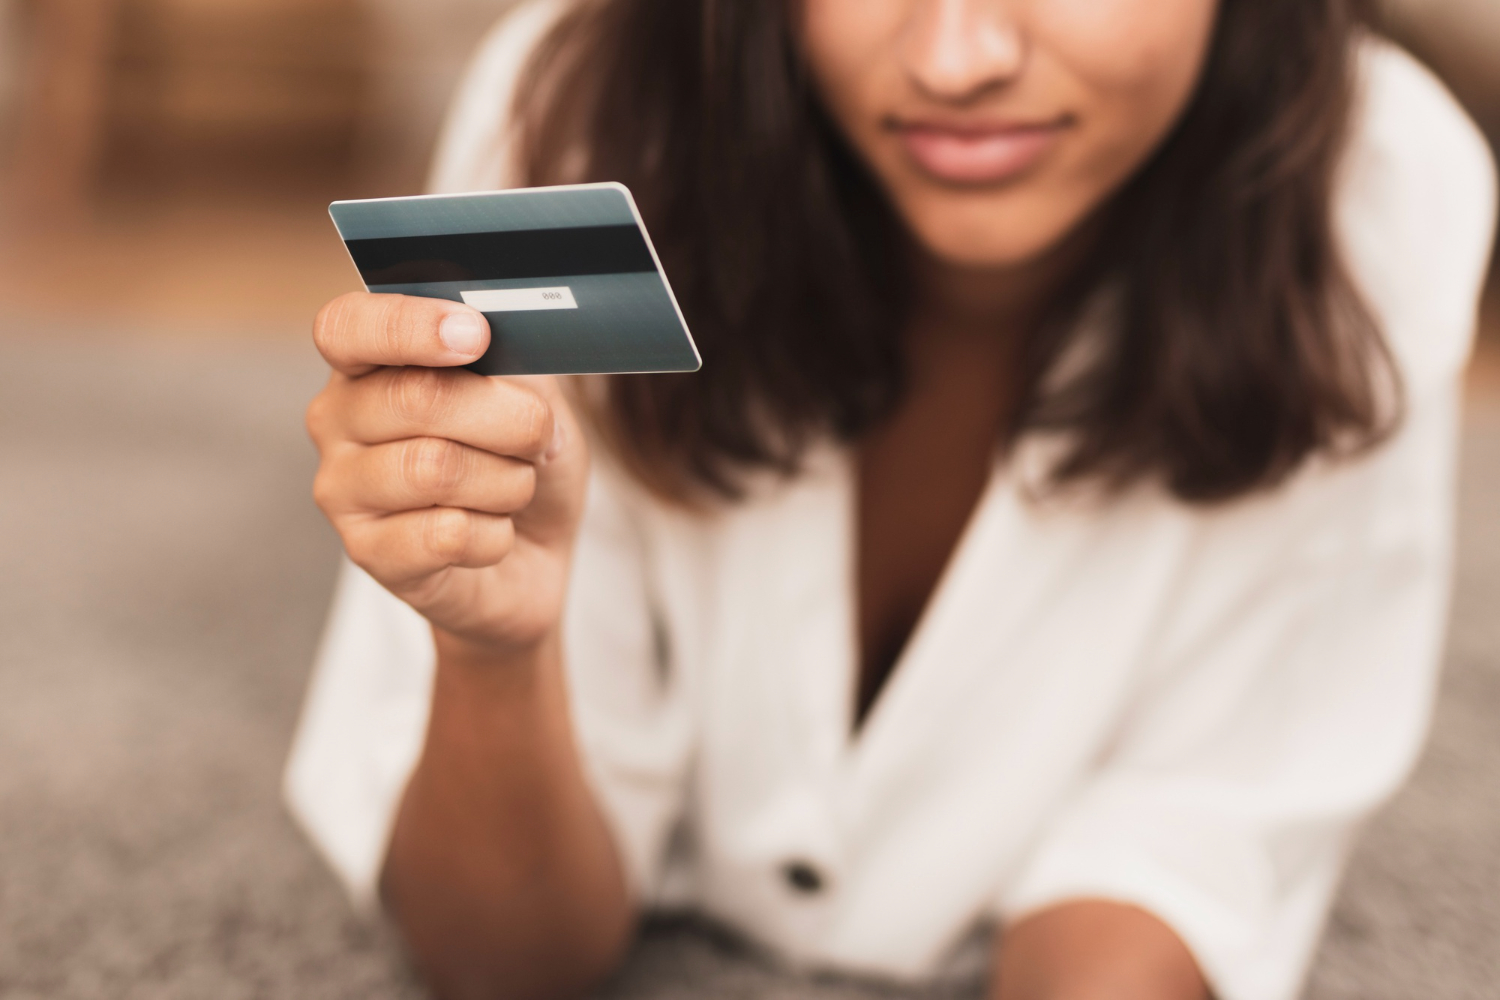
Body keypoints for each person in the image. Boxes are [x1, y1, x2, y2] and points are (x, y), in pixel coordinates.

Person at [283, 0, 1497, 998]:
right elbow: (507, 964)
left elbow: (1192, 838)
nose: (958, 58)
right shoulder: (576, 111)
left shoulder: (1378, 187)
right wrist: (493, 651)